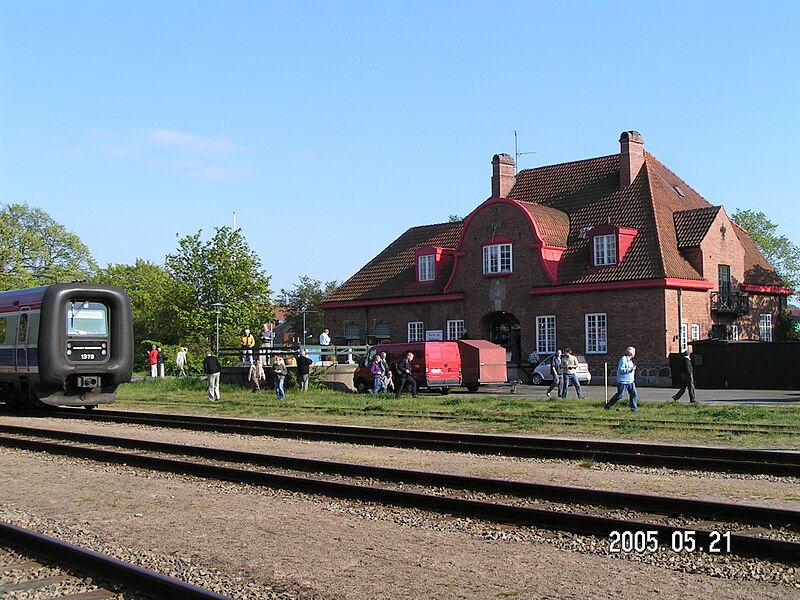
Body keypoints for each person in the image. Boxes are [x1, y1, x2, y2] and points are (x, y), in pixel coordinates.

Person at [605, 346, 638, 411]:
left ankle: (633, 408)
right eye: (634, 352)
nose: (635, 353)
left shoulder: (630, 360)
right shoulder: (623, 359)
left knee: (634, 394)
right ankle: (608, 405)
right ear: (631, 353)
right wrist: (630, 369)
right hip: (623, 381)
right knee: (620, 395)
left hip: (630, 381)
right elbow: (620, 369)